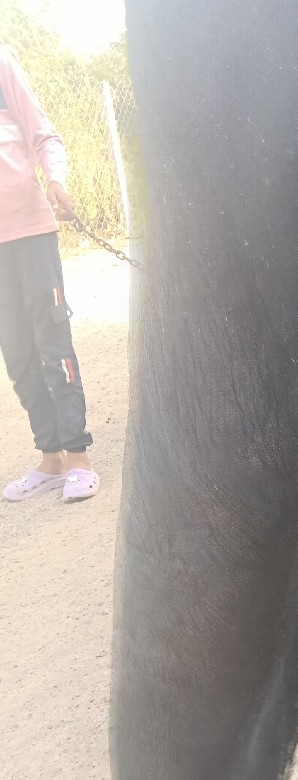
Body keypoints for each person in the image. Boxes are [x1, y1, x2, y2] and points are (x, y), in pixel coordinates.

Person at [0, 45, 99, 502]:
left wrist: (56, 180)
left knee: (52, 345)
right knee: (18, 355)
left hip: (31, 233)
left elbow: (44, 135)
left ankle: (78, 457)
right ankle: (52, 458)